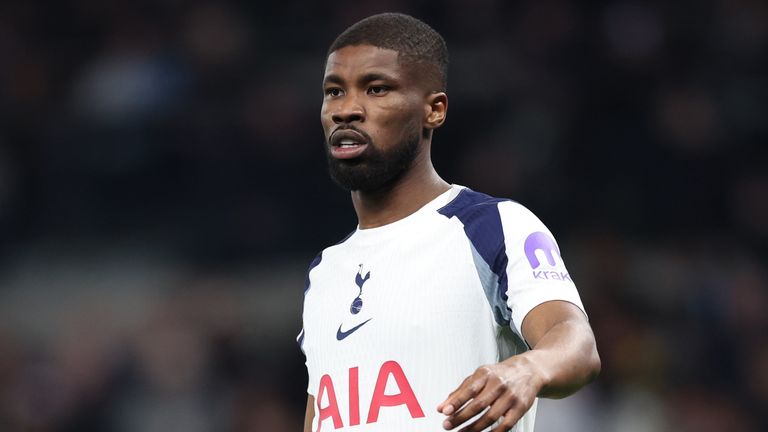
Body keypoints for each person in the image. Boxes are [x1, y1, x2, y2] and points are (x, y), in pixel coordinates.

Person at [297, 12, 600, 432]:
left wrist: (529, 368)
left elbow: (577, 343)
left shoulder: (491, 226)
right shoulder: (325, 273)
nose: (347, 110)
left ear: (434, 110)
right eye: (334, 92)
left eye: (376, 88)